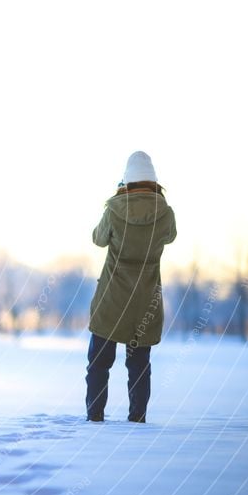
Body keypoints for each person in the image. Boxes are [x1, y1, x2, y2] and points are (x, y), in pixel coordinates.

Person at [85, 151, 177, 423]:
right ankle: (137, 419)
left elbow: (98, 239)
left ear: (127, 179)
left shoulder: (114, 209)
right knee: (139, 365)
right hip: (145, 302)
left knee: (99, 362)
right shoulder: (166, 213)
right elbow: (170, 236)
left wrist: (116, 198)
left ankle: (95, 417)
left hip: (112, 300)